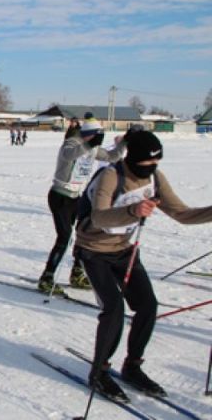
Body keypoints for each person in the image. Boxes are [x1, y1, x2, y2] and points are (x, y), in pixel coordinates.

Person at [74, 130, 212, 401]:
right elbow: (100, 217)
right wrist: (133, 211)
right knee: (113, 309)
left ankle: (133, 366)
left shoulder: (155, 177)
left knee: (147, 305)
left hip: (124, 249)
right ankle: (99, 372)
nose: (151, 168)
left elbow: (182, 214)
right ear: (132, 157)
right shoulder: (111, 175)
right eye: (146, 163)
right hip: (93, 250)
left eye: (156, 163)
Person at [37, 117, 127, 293]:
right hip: (60, 195)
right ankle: (47, 277)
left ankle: (77, 273)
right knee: (64, 237)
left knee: (82, 234)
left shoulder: (91, 148)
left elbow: (112, 157)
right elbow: (70, 154)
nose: (97, 139)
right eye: (95, 135)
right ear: (87, 134)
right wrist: (90, 144)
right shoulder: (71, 143)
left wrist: (124, 142)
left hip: (76, 197)